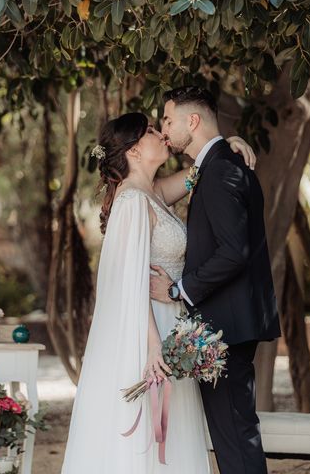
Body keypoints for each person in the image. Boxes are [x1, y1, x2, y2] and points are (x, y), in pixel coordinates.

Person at [61, 112, 256, 473]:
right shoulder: (133, 201)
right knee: (147, 440)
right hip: (149, 330)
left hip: (169, 320)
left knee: (172, 432)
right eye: (151, 131)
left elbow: (199, 171)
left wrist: (226, 146)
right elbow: (131, 284)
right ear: (134, 151)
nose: (160, 134)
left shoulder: (151, 192)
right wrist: (153, 346)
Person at [150, 86, 281, 474]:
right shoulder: (217, 164)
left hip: (226, 328)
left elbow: (233, 252)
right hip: (229, 323)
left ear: (193, 121)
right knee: (234, 436)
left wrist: (178, 290)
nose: (164, 129)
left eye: (168, 120)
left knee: (235, 438)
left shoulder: (222, 168)